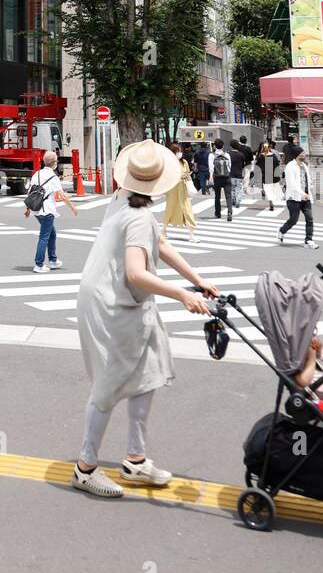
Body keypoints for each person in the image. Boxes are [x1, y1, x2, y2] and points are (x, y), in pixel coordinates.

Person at [72, 139, 216, 498]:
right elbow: (136, 273)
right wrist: (183, 294)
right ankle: (85, 467)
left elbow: (161, 245)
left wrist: (197, 281)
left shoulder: (123, 202)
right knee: (109, 383)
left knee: (149, 368)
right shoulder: (136, 216)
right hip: (113, 303)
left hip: (110, 295)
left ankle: (135, 459)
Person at [24, 150, 78, 273]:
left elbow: (30, 192)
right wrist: (73, 208)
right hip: (47, 211)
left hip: (36, 210)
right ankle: (39, 264)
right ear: (54, 163)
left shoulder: (36, 174)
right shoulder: (53, 177)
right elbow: (62, 196)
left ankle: (53, 260)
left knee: (51, 234)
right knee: (44, 237)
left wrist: (27, 209)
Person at [279, 145, 318, 248]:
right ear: (297, 154)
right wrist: (302, 193)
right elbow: (292, 184)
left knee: (309, 219)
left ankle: (308, 240)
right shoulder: (290, 167)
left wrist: (310, 189)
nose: (304, 154)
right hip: (294, 198)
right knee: (293, 220)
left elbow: (308, 179)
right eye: (302, 153)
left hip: (305, 198)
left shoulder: (304, 166)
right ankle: (282, 231)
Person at [162, 142, 197, 242]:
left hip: (183, 188)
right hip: (173, 189)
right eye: (177, 152)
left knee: (187, 210)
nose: (179, 153)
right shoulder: (169, 163)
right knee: (170, 209)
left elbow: (188, 173)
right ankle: (163, 230)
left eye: (180, 151)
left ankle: (191, 235)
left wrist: (187, 177)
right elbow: (167, 177)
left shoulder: (184, 162)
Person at [255, 140, 280, 210]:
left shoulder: (261, 156)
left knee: (268, 190)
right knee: (272, 189)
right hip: (273, 176)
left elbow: (257, 167)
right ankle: (272, 201)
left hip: (266, 176)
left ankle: (271, 202)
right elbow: (277, 165)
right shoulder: (273, 155)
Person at [212, 139, 233, 220]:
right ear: (223, 146)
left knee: (217, 196)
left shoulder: (212, 155)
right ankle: (229, 212)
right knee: (228, 196)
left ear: (214, 146)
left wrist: (211, 176)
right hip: (227, 177)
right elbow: (229, 166)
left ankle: (218, 213)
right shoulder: (227, 155)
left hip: (217, 178)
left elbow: (211, 167)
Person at [228, 138, 246, 216]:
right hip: (239, 173)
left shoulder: (228, 154)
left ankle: (232, 200)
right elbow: (243, 165)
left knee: (231, 188)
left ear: (231, 146)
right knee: (238, 188)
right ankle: (238, 201)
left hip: (231, 173)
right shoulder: (241, 154)